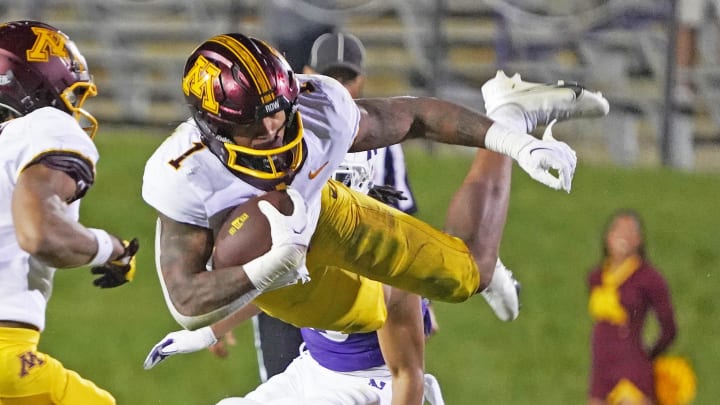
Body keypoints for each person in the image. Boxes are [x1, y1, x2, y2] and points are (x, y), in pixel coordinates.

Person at [142, 31, 608, 347]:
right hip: (279, 271)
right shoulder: (183, 171)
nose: (273, 124)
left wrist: (515, 143)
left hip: (328, 216)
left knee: (470, 274)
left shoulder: (320, 108)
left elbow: (416, 117)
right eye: (253, 118)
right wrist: (271, 265)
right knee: (368, 318)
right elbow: (186, 301)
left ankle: (511, 112)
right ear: (211, 123)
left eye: (278, 108)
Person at [237, 31, 444, 383]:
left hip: (351, 284)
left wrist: (417, 294)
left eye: (346, 78)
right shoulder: (281, 135)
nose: (339, 87)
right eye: (329, 77)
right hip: (287, 282)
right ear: (306, 74)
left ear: (362, 80)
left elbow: (402, 220)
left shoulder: (382, 140)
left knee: (370, 381)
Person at [0, 20, 139, 404]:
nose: (74, 109)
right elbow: (39, 233)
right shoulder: (45, 124)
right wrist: (109, 246)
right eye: (72, 94)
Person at [587, 210, 677, 405]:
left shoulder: (649, 278)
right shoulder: (596, 277)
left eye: (629, 232)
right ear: (607, 236)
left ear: (638, 240)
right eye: (617, 230)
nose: (622, 236)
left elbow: (669, 328)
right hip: (601, 371)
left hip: (632, 371)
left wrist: (649, 355)